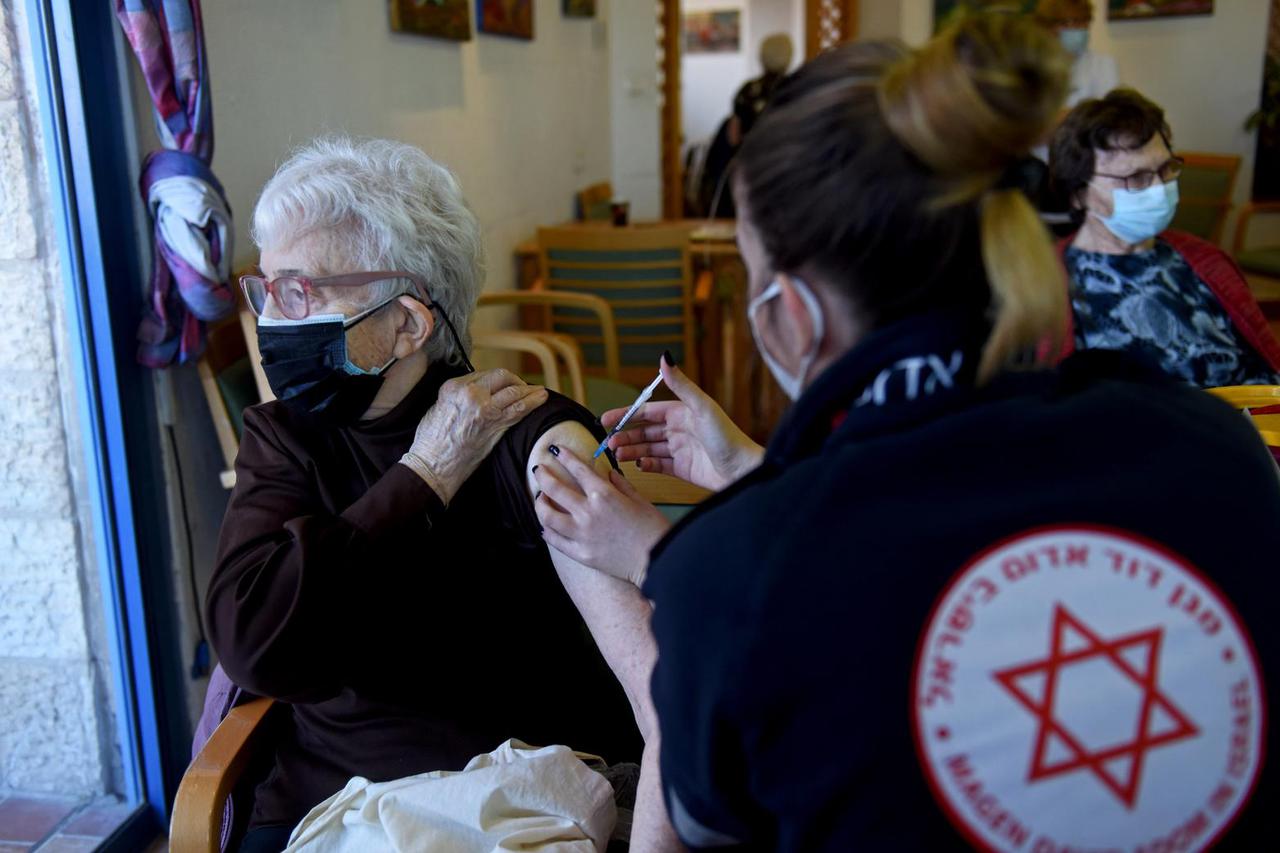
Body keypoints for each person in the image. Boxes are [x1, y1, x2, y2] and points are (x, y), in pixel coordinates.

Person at [530, 15, 1279, 851]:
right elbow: (920, 537)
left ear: (792, 315)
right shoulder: (1215, 447)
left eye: (752, 271)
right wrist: (756, 472)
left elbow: (703, 818)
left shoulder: (732, 580)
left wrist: (672, 564)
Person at [207, 138, 677, 852]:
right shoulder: (284, 436)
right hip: (327, 804)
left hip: (507, 807)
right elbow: (253, 640)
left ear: (408, 323)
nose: (273, 320)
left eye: (301, 290)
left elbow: (660, 695)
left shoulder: (530, 436)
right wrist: (423, 476)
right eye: (266, 289)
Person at [1050, 88, 1280, 387]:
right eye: (1137, 177)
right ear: (1079, 193)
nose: (1159, 188)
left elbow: (1268, 361)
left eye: (1165, 169)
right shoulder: (1048, 283)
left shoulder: (1205, 259)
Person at [698, 33, 795, 218]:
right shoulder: (797, 90)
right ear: (789, 57)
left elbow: (733, 138)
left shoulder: (747, 91)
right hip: (786, 174)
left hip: (750, 171)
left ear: (761, 57)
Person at [1034, 0, 1118, 108]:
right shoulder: (1034, 66)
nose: (1075, 29)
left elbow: (1110, 114)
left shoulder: (1103, 64)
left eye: (1081, 22)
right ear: (1047, 28)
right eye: (1065, 23)